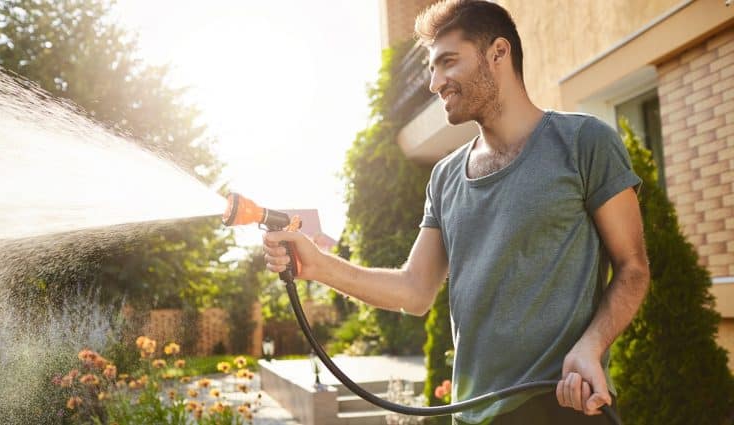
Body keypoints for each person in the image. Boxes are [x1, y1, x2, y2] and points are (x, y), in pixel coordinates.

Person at [263, 1, 650, 424]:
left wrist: (591, 345)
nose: (434, 83)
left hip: (562, 404)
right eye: (431, 68)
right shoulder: (445, 177)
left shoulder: (583, 142)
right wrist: (317, 266)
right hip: (471, 414)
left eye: (447, 62)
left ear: (498, 53)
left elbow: (633, 267)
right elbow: (414, 291)